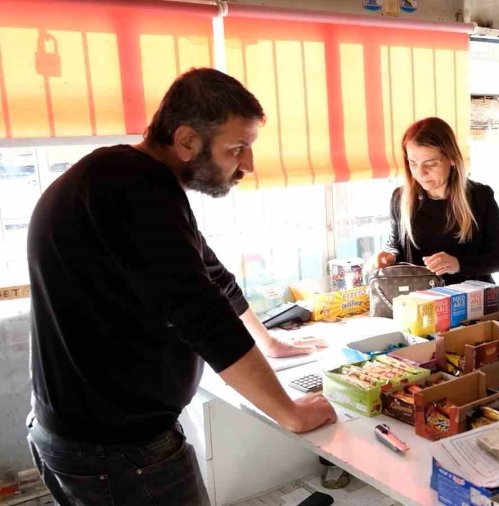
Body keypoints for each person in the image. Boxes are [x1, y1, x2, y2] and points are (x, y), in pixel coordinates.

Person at [26, 68, 337, 506]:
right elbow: (201, 314)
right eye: (237, 148)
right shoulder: (131, 189)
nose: (247, 165)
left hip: (85, 432)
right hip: (114, 449)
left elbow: (213, 276)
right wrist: (290, 414)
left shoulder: (129, 180)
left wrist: (267, 341)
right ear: (187, 140)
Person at [374, 117, 499, 284]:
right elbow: (396, 244)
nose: (420, 173)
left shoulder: (479, 196)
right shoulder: (400, 198)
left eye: (431, 164)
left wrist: (459, 264)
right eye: (413, 163)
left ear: (452, 159)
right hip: (420, 303)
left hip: (473, 303)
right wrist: (390, 256)